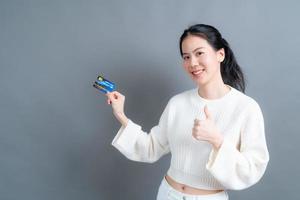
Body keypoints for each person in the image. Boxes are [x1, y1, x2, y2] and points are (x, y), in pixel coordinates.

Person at [105, 24, 269, 200]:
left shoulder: (246, 108)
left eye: (199, 53)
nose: (192, 63)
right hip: (168, 194)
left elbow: (253, 168)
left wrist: (217, 140)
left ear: (220, 54)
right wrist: (121, 115)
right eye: (186, 56)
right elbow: (150, 147)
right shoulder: (178, 103)